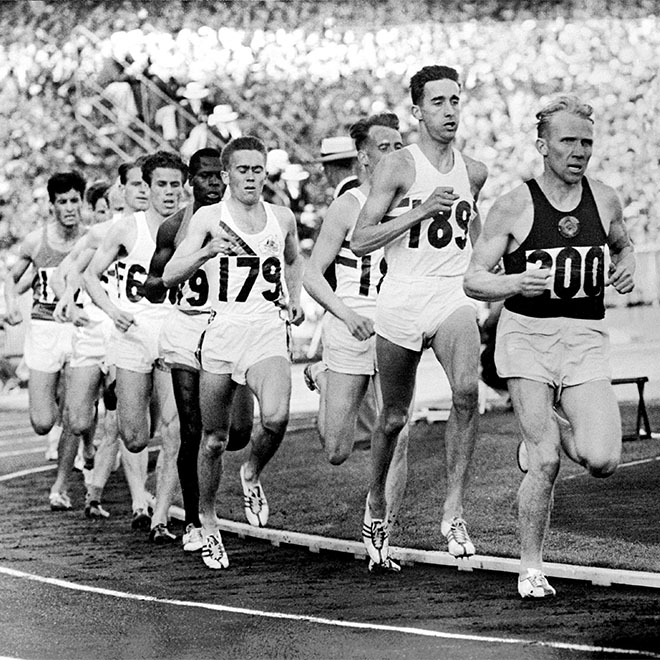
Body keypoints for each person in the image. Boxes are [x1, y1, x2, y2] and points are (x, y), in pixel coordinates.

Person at [463, 96, 635, 598]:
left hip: (584, 336)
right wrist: (515, 282)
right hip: (528, 339)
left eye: (586, 142)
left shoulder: (605, 199)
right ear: (543, 145)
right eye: (568, 141)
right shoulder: (515, 205)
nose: (578, 151)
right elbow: (474, 280)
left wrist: (627, 264)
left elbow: (622, 243)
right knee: (545, 461)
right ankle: (531, 567)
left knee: (602, 460)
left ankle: (548, 427)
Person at [351, 65, 488, 566]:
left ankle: (453, 511)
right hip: (403, 294)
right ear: (417, 111)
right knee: (391, 416)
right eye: (438, 102)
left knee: (468, 393)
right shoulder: (398, 167)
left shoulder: (474, 170)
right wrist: (420, 210)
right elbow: (361, 239)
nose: (449, 110)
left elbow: (477, 232)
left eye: (455, 100)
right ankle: (376, 502)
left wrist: (491, 277)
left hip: (451, 293)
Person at [163, 136, 304, 570]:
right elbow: (170, 275)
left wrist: (293, 298)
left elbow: (295, 261)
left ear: (265, 173)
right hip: (221, 332)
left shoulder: (281, 217)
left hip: (265, 330)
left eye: (257, 170)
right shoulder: (208, 217)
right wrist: (206, 250)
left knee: (277, 416)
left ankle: (252, 473)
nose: (250, 177)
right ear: (226, 175)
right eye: (241, 170)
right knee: (215, 438)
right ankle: (206, 519)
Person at [303, 112, 409, 572]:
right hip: (350, 321)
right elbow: (311, 274)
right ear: (363, 158)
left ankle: (381, 526)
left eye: (399, 144)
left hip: (395, 325)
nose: (395, 153)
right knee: (337, 449)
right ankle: (324, 376)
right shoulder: (348, 205)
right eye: (384, 147)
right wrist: (345, 315)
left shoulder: (413, 199)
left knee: (398, 428)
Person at [144, 148, 255, 553]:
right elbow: (153, 289)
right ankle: (194, 520)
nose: (212, 183)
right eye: (204, 176)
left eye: (217, 176)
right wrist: (187, 264)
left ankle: (220, 493)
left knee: (237, 432)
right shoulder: (174, 228)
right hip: (187, 330)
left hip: (231, 328)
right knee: (193, 429)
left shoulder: (245, 221)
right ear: (191, 180)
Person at [84, 151, 186, 544]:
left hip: (172, 333)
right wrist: (112, 310)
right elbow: (92, 276)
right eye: (161, 184)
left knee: (174, 428)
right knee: (134, 436)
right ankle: (141, 494)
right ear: (146, 186)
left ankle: (160, 516)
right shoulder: (127, 228)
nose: (169, 192)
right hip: (130, 334)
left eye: (176, 184)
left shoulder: (192, 226)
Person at [52, 163, 153, 524]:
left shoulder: (168, 228)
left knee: (126, 423)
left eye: (147, 184)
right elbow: (70, 270)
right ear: (120, 189)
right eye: (136, 184)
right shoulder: (103, 232)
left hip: (138, 332)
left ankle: (138, 500)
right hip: (101, 331)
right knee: (85, 420)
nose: (143, 190)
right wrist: (69, 300)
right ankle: (90, 461)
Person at [4, 171, 87, 510]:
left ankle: (61, 485)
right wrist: (11, 305)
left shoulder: (91, 239)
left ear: (81, 202)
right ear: (52, 206)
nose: (69, 208)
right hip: (44, 329)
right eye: (63, 202)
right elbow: (11, 279)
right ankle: (62, 423)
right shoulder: (36, 241)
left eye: (74, 201)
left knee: (75, 415)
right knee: (41, 422)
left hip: (81, 328)